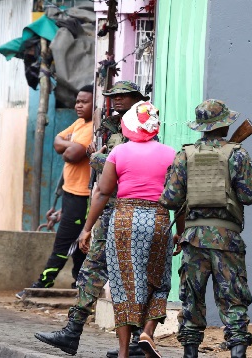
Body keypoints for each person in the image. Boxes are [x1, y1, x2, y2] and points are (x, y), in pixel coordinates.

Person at [35, 81, 149, 357]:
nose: (118, 100)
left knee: (127, 277)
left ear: (137, 98)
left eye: (124, 96)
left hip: (129, 209)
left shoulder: (143, 126)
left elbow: (116, 163)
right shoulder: (113, 125)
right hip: (109, 208)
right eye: (115, 96)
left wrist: (91, 155)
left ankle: (135, 342)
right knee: (92, 271)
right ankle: (72, 333)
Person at [72, 101, 176, 358]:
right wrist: (180, 231)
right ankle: (147, 333)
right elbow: (178, 198)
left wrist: (86, 229)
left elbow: (104, 192)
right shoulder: (171, 154)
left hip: (124, 220)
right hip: (159, 219)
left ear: (129, 126)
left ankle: (122, 353)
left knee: (124, 284)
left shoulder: (118, 154)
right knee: (159, 281)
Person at [159, 100, 252, 358]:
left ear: (201, 128)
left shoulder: (184, 155)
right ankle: (238, 351)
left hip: (193, 239)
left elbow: (170, 199)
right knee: (233, 298)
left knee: (192, 299)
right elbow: (251, 195)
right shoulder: (237, 153)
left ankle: (190, 353)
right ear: (225, 124)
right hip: (227, 239)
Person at [16, 85, 94, 300]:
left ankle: (43, 283)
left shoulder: (92, 128)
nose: (78, 105)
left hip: (83, 196)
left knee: (64, 241)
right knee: (78, 244)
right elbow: (57, 142)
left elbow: (72, 154)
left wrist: (69, 147)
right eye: (77, 101)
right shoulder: (80, 123)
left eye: (84, 102)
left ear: (94, 104)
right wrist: (69, 146)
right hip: (70, 193)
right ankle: (79, 283)